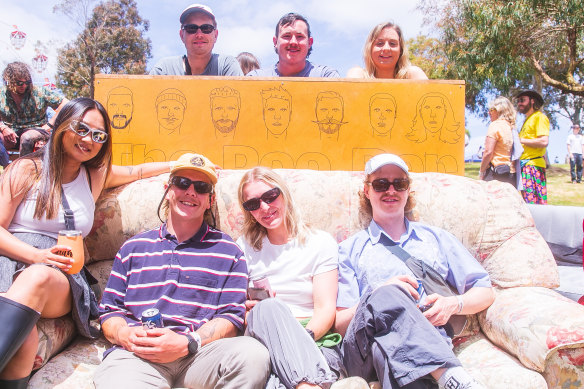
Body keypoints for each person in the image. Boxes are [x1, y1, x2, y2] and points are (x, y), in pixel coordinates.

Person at [0, 97, 173, 387]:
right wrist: (35, 254)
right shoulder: (25, 170)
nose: (88, 140)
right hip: (9, 259)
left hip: (59, 275)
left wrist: (181, 164)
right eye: (81, 128)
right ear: (63, 125)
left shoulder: (94, 176)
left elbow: (138, 171)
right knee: (24, 339)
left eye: (98, 135)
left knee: (39, 277)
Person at [94, 153, 270, 388]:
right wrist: (125, 335)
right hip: (138, 357)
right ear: (168, 190)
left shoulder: (229, 252)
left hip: (200, 355)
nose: (190, 192)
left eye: (201, 187)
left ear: (210, 200)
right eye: (182, 183)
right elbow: (110, 311)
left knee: (253, 355)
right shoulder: (132, 248)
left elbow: (231, 317)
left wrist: (188, 342)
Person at [335, 153, 495, 389]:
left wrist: (454, 304)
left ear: (408, 190)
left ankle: (443, 376)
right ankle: (450, 374)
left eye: (399, 184)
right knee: (386, 294)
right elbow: (339, 324)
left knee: (387, 350)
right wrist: (378, 293)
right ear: (367, 191)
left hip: (423, 342)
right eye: (380, 184)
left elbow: (485, 291)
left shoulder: (436, 239)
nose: (391, 190)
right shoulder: (349, 250)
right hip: (363, 348)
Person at [237, 167, 341, 388]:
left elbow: (325, 309)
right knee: (269, 307)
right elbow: (238, 313)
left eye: (270, 196)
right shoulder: (243, 248)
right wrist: (250, 311)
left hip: (314, 339)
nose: (264, 207)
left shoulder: (320, 242)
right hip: (266, 341)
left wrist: (295, 341)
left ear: (283, 193)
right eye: (253, 204)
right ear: (249, 211)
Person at [149, 4, 243, 76]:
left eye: (206, 28)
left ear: (216, 35)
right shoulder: (164, 69)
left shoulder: (227, 66)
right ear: (182, 35)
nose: (199, 35)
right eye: (191, 28)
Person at [0, 61, 69, 156]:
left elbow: (66, 104)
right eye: (19, 83)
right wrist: (3, 128)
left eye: (27, 82)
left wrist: (50, 125)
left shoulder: (39, 91)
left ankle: (24, 169)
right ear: (9, 81)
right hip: (11, 133)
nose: (24, 86)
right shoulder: (2, 94)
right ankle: (7, 168)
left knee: (27, 138)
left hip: (36, 130)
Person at [247, 13, 339, 78]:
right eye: (287, 36)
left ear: (310, 42)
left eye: (299, 36)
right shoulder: (255, 79)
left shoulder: (326, 76)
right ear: (275, 42)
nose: (293, 42)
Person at [346, 22, 428, 80]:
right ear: (370, 48)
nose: (386, 48)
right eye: (380, 43)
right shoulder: (359, 75)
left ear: (401, 50)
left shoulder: (412, 74)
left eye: (392, 43)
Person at [516, 89, 550, 204]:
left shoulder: (539, 117)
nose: (519, 103)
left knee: (535, 205)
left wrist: (521, 140)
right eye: (518, 101)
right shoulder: (527, 120)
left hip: (533, 166)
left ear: (532, 101)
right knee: (527, 204)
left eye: (522, 100)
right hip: (525, 165)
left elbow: (544, 141)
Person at [478, 96, 516, 186]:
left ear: (499, 110)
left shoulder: (495, 125)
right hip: (510, 172)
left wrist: (482, 171)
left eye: (491, 110)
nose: (488, 112)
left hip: (495, 172)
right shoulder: (511, 126)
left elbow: (488, 152)